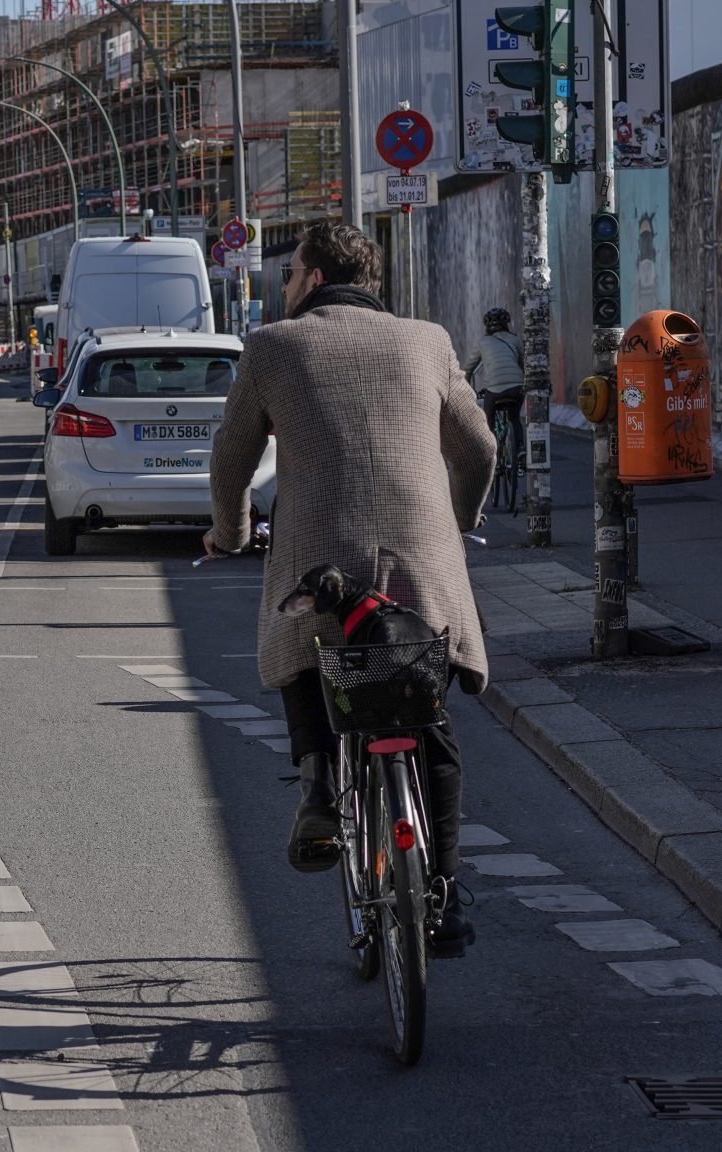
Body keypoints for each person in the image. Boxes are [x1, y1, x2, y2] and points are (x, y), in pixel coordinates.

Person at [204, 221, 497, 956]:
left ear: (313, 278)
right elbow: (479, 448)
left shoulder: (273, 346)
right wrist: (458, 520)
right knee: (430, 723)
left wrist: (231, 535)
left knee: (304, 646)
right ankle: (446, 894)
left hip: (319, 560)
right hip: (419, 564)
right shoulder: (427, 341)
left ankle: (317, 786)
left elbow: (231, 459)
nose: (284, 285)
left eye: (290, 273)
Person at [464, 307, 525, 479]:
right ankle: (520, 448)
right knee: (514, 418)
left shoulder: (483, 343)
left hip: (494, 388)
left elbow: (468, 369)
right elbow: (524, 363)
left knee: (489, 422)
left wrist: (467, 387)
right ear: (507, 324)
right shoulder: (515, 340)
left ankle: (491, 456)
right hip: (517, 386)